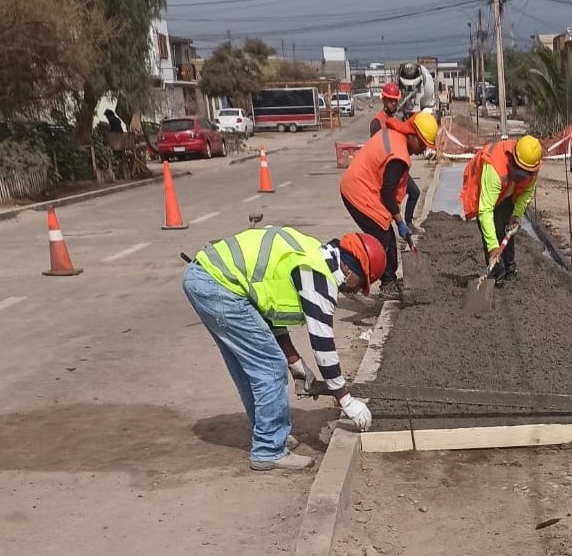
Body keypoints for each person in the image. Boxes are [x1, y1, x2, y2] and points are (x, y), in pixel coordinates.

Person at [183, 226, 387, 471]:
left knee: (251, 368)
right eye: (361, 282)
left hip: (208, 279)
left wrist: (296, 363)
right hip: (219, 286)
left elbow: (268, 309)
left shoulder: (314, 254)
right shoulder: (319, 276)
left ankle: (271, 434)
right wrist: (344, 398)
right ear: (349, 268)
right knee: (269, 368)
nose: (356, 290)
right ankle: (269, 449)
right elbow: (322, 344)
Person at [340, 112, 438, 300]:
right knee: (384, 241)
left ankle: (357, 281)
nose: (423, 150)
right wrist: (400, 222)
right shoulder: (399, 154)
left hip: (361, 187)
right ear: (413, 135)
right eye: (423, 144)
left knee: (384, 238)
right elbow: (387, 193)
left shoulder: (395, 136)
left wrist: (397, 221)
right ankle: (386, 284)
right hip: (359, 192)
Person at [459, 135, 542, 284]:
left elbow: (527, 192)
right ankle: (496, 274)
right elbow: (485, 211)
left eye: (525, 174)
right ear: (512, 159)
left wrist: (516, 215)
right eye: (518, 172)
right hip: (486, 188)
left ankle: (509, 268)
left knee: (507, 228)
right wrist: (492, 247)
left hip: (507, 192)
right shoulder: (494, 168)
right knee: (494, 230)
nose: (521, 177)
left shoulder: (532, 169)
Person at [369, 83, 422, 235]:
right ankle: (391, 227)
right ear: (384, 100)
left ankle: (408, 223)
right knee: (387, 198)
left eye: (395, 100)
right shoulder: (377, 122)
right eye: (390, 100)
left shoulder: (396, 119)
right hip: (386, 168)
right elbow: (376, 149)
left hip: (398, 164)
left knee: (414, 192)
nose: (393, 103)